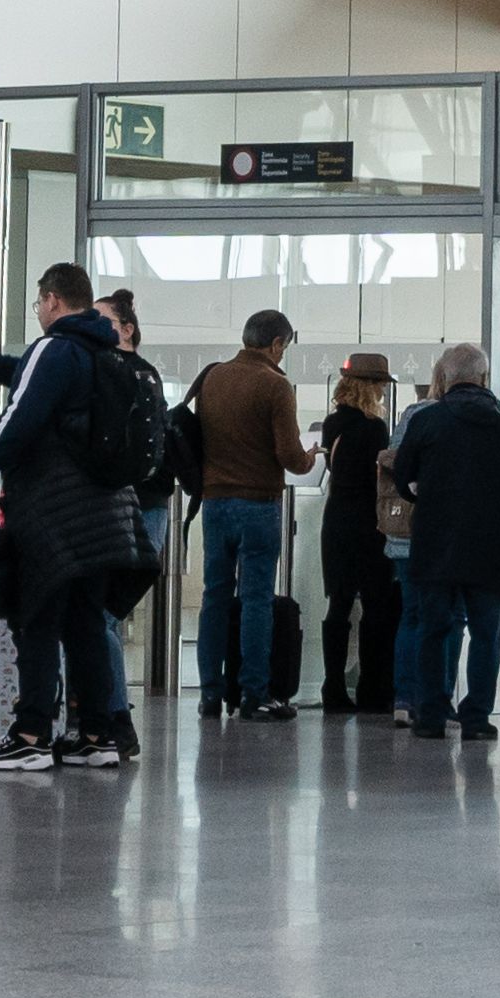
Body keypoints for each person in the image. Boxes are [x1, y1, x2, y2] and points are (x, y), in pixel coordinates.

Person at [0, 262, 153, 768]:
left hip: (55, 512)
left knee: (38, 621)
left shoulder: (56, 347)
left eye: (38, 304)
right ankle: (97, 736)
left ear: (52, 300)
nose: (38, 313)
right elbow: (31, 381)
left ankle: (31, 736)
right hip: (106, 512)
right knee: (84, 625)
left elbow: (23, 412)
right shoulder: (105, 350)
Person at [389, 343, 500, 735]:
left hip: (435, 544)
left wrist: (425, 495)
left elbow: (402, 477)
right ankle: (477, 717)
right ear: (485, 378)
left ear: (444, 378)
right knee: (486, 633)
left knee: (433, 629)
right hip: (492, 546)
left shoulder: (427, 421)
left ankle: (431, 715)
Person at [187, 307, 316, 721]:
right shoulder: (274, 385)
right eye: (285, 348)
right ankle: (253, 693)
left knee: (214, 597)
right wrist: (310, 457)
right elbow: (290, 457)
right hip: (258, 504)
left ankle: (209, 694)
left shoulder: (213, 377)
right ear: (276, 344)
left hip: (214, 503)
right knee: (256, 600)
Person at [314, 356, 402, 717]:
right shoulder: (374, 428)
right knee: (375, 607)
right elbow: (377, 482)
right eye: (380, 384)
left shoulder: (333, 424)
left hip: (336, 520)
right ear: (370, 386)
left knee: (339, 603)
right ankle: (372, 689)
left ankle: (332, 685)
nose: (383, 390)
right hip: (368, 524)